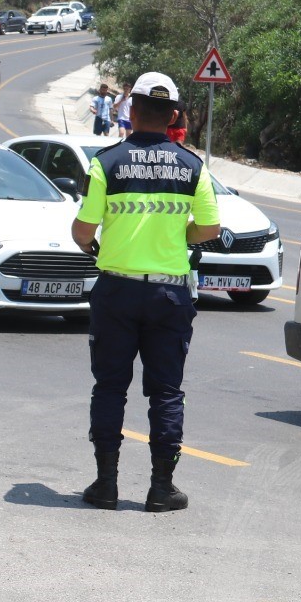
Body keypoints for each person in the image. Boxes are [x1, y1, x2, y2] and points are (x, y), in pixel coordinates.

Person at [71, 71, 221, 512]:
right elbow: (210, 228)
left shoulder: (107, 162)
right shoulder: (194, 167)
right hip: (170, 296)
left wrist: (93, 244)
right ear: (173, 115)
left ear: (131, 111)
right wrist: (178, 239)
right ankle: (161, 488)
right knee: (167, 391)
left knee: (110, 387)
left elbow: (83, 230)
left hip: (116, 292)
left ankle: (106, 485)